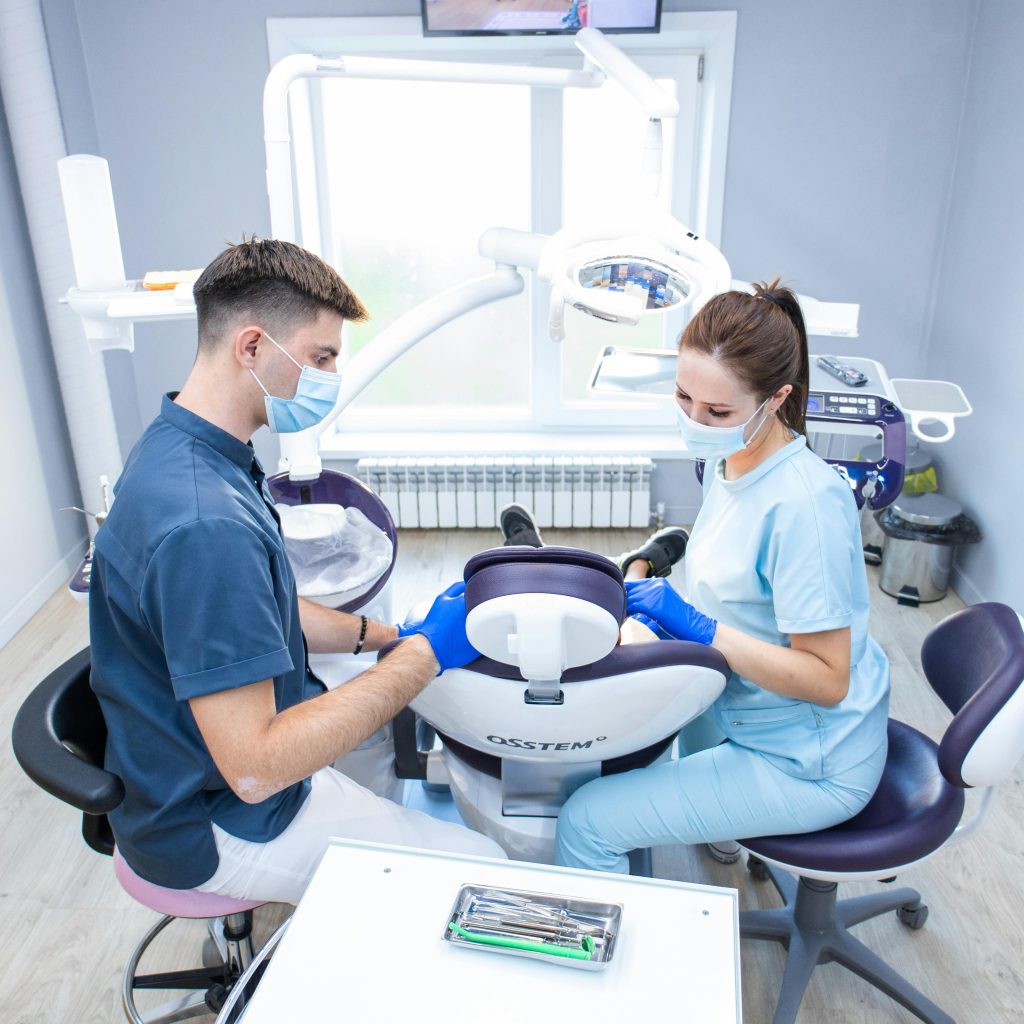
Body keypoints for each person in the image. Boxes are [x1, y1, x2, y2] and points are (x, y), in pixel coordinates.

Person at [89, 238, 503, 905]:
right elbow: (256, 768)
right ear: (251, 347)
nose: (331, 378)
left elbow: (263, 612)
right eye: (321, 358)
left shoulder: (189, 448)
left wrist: (384, 633)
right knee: (479, 870)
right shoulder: (206, 525)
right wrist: (424, 656)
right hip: (217, 820)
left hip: (189, 770)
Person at [552, 278, 891, 873]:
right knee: (624, 750)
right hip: (740, 705)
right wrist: (645, 582)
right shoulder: (732, 461)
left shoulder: (806, 506)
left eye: (718, 411)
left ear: (777, 397)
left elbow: (829, 679)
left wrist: (699, 628)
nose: (696, 422)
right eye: (683, 398)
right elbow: (738, 592)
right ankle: (726, 830)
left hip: (809, 759)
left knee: (587, 819)